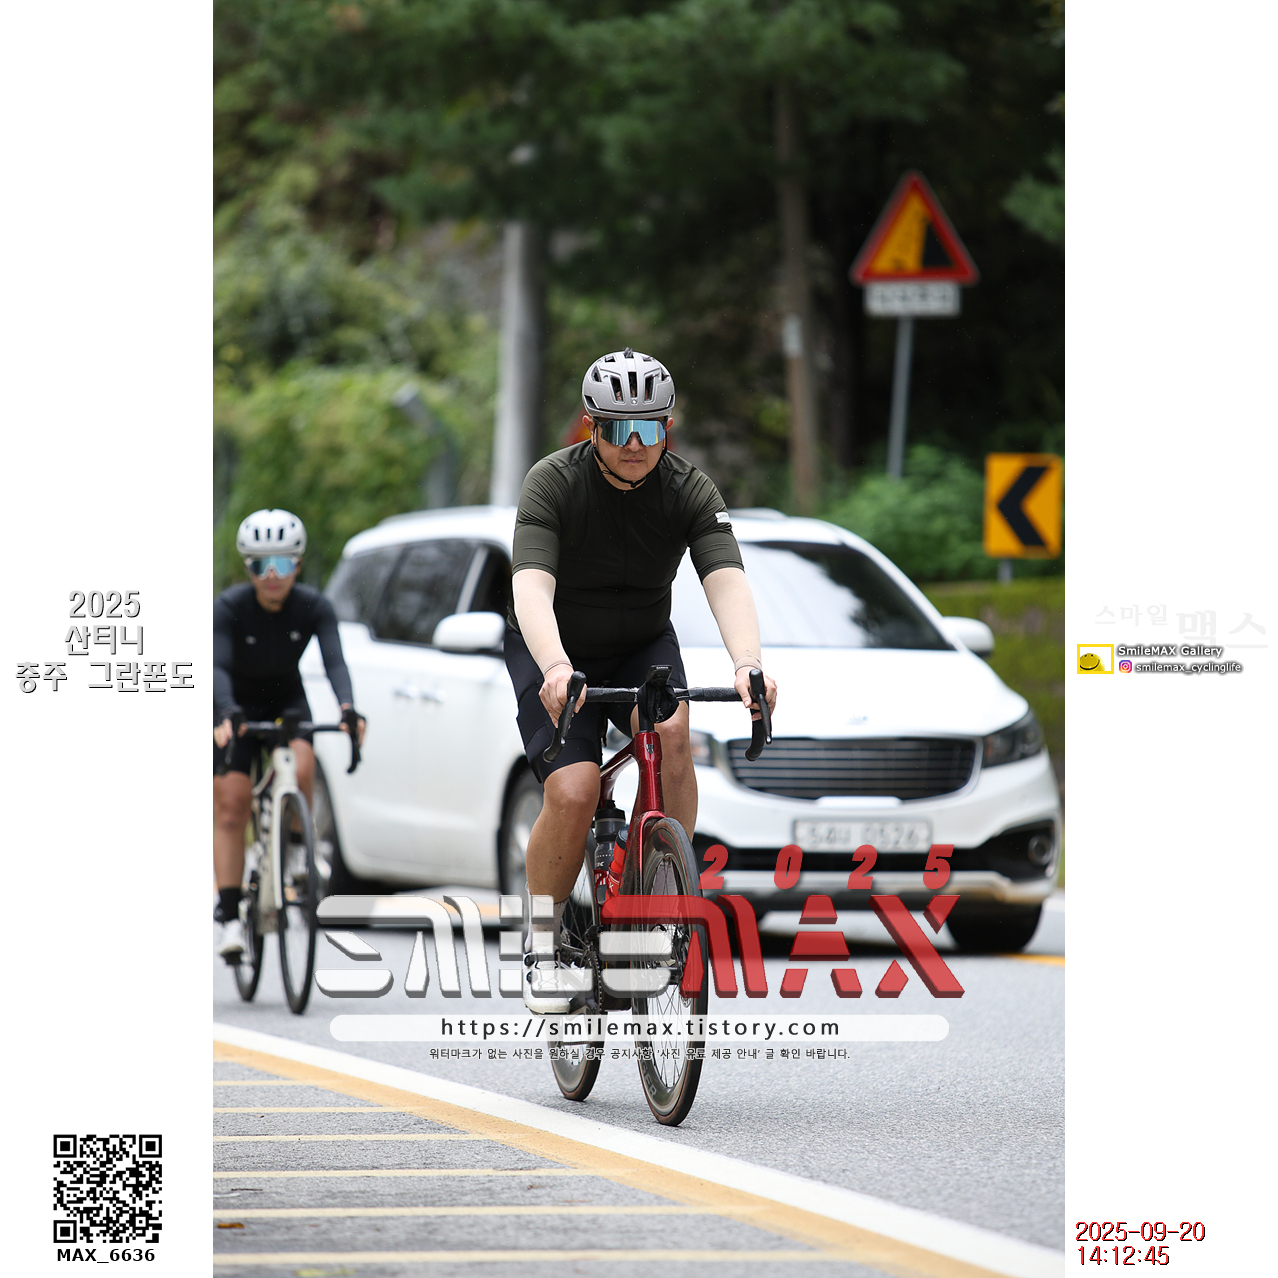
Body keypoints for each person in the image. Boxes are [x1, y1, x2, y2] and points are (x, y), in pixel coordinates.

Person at [505, 348, 778, 1013]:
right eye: (620, 428)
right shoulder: (553, 482)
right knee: (574, 790)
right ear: (591, 427)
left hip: (640, 644)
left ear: (667, 428)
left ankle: (662, 892)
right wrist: (555, 666)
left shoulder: (689, 489)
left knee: (674, 734)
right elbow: (531, 586)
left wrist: (747, 662)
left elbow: (726, 579)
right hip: (555, 650)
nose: (635, 444)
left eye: (650, 427)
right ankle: (542, 944)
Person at [212, 509, 365, 960]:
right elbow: (217, 665)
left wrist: (347, 708)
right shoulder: (229, 607)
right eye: (261, 564)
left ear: (297, 564)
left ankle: (297, 850)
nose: (272, 575)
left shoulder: (314, 607)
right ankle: (230, 916)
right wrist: (225, 711)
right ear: (248, 568)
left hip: (286, 700)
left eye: (282, 563)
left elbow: (335, 661)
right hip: (235, 705)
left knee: (302, 767)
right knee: (231, 806)